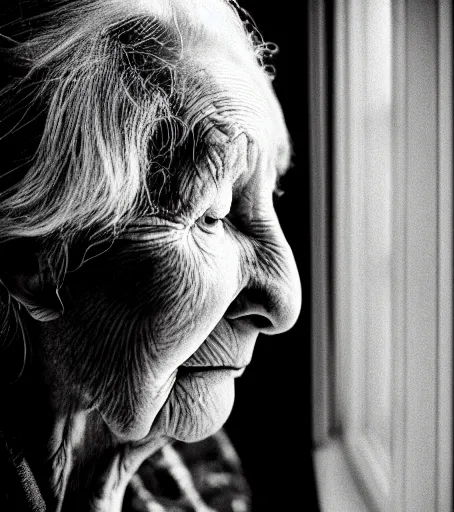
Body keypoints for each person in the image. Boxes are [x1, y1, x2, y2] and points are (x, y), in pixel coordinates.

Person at [0, 0, 301, 510]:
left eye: (270, 196)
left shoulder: (188, 456)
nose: (283, 300)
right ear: (35, 256)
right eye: (213, 213)